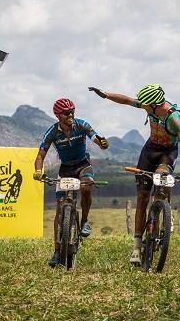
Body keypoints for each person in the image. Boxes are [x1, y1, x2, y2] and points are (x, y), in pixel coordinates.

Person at [88, 84, 180, 264]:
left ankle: (165, 211)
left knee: (163, 178)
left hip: (167, 152)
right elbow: (126, 100)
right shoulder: (150, 105)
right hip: (149, 150)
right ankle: (136, 248)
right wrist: (106, 95)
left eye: (146, 105)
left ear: (155, 104)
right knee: (142, 198)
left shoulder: (173, 118)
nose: (143, 107)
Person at [33, 98, 109, 267]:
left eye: (73, 111)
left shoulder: (81, 124)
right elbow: (40, 156)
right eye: (67, 113)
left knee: (87, 186)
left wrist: (102, 143)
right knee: (60, 210)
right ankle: (57, 251)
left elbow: (95, 137)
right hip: (65, 169)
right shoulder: (52, 132)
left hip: (83, 165)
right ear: (58, 115)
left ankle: (84, 221)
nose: (71, 115)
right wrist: (38, 171)